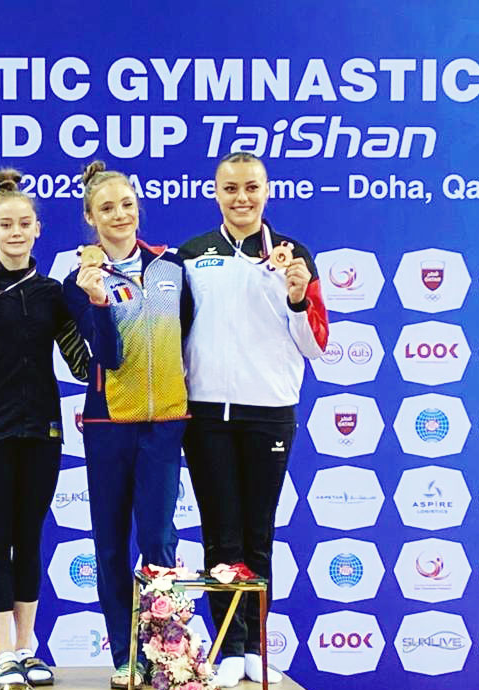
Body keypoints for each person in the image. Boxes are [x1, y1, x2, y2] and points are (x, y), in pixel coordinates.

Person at [178, 152, 329, 687]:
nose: (241, 198)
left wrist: (297, 296)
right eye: (231, 188)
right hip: (206, 416)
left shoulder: (293, 255)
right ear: (216, 193)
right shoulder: (192, 255)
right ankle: (228, 647)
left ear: (266, 191)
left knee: (258, 534)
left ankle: (257, 650)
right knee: (221, 537)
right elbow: (174, 333)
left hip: (269, 413)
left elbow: (315, 345)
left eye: (251, 187)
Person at [0, 168, 89, 689]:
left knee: (29, 540)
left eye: (25, 223)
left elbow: (80, 365)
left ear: (37, 230)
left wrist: (96, 309)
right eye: (6, 224)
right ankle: (2, 652)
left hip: (44, 431)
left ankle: (28, 647)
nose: (16, 232)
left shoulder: (53, 292)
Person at [63, 160, 192, 689]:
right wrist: (97, 301)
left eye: (127, 204)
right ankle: (126, 656)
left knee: (159, 541)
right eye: (107, 208)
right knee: (112, 545)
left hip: (165, 424)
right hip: (109, 423)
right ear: (90, 218)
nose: (120, 214)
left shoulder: (172, 268)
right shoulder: (78, 282)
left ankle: (166, 655)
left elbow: (188, 337)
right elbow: (109, 357)